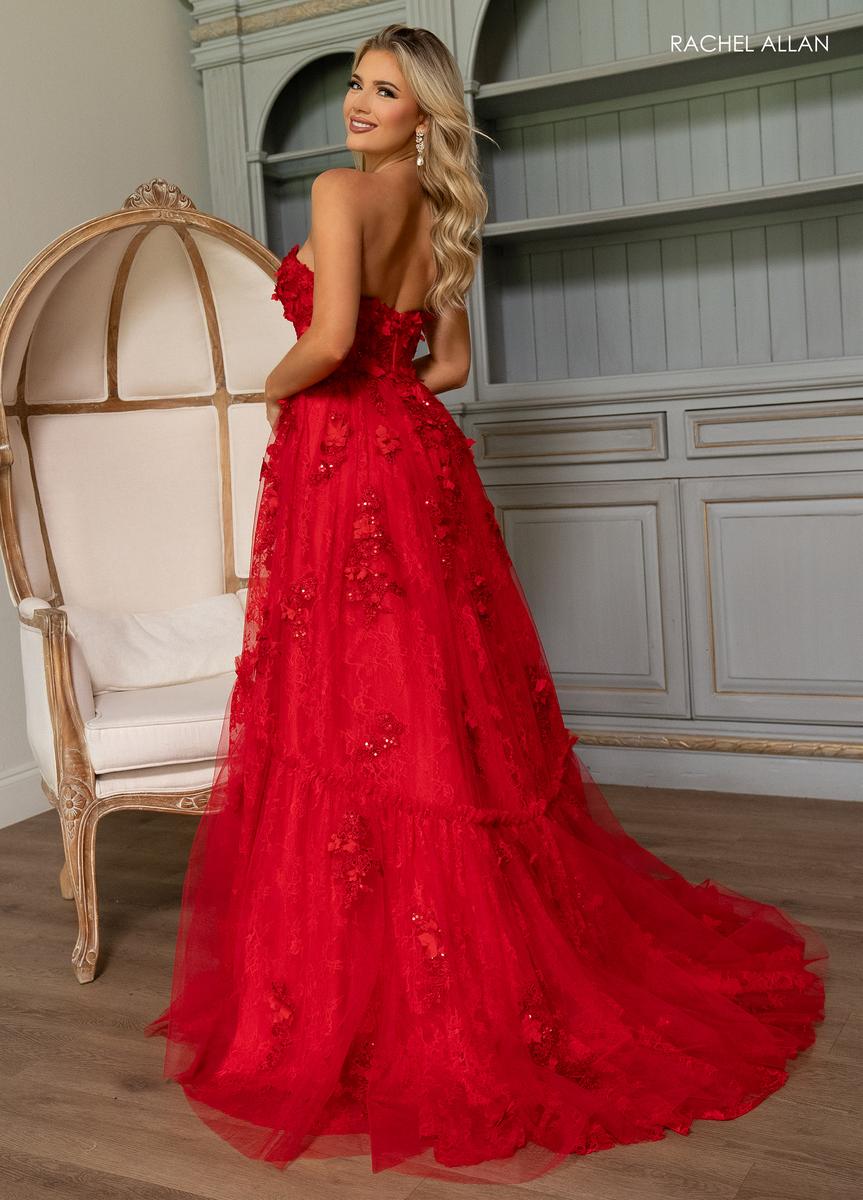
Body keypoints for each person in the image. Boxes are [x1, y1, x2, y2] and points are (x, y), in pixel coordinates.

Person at [144, 24, 828, 1186]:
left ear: (423, 111)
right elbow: (448, 368)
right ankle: (455, 951)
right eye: (355, 85)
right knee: (433, 707)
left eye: (384, 91)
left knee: (351, 703)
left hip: (345, 465)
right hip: (418, 458)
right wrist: (385, 391)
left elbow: (327, 340)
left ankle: (379, 978)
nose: (358, 103)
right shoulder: (443, 212)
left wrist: (271, 388)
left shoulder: (337, 193)